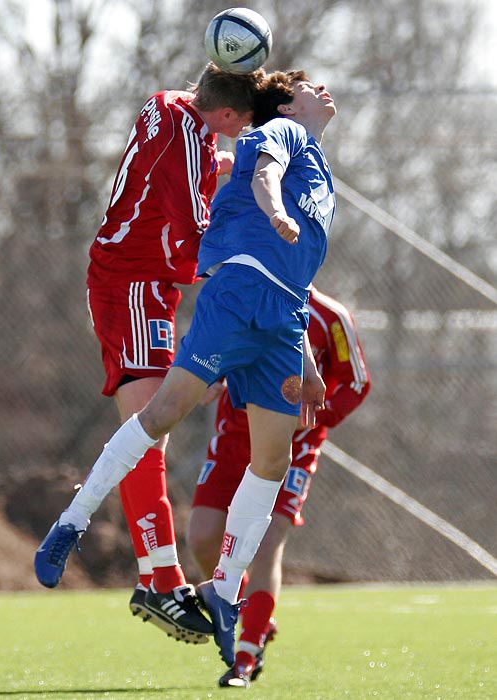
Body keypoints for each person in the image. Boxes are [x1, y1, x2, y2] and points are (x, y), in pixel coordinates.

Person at [34, 69, 337, 668]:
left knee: (269, 458)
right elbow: (252, 187)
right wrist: (270, 206)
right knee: (159, 418)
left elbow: (290, 268)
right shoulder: (271, 137)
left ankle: (220, 592)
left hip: (273, 317)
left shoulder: (293, 157)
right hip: (176, 290)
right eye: (306, 85)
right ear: (265, 109)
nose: (322, 89)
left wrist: (303, 352)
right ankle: (104, 543)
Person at [52, 63, 267, 645]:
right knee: (148, 431)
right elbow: (199, 237)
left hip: (132, 281)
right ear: (225, 114)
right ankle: (161, 580)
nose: (240, 133)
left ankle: (159, 578)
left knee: (148, 430)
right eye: (242, 124)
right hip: (136, 285)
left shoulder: (173, 106)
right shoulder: (186, 136)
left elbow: (195, 168)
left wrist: (232, 166)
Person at [187, 287, 371, 687]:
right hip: (233, 438)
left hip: (293, 448)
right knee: (202, 537)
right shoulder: (238, 290)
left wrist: (313, 419)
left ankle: (246, 655)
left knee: (267, 541)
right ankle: (257, 616)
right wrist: (203, 377)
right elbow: (208, 349)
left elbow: (356, 382)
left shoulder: (330, 317)